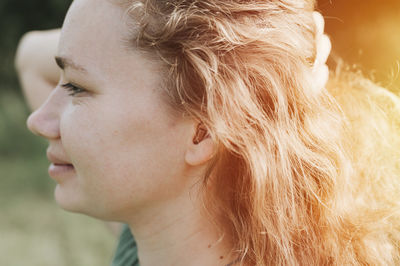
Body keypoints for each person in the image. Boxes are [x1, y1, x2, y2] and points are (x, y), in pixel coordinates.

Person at [15, 0, 400, 265]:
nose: (39, 122)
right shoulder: (156, 233)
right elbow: (31, 56)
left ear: (203, 132)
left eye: (77, 88)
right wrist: (279, 66)